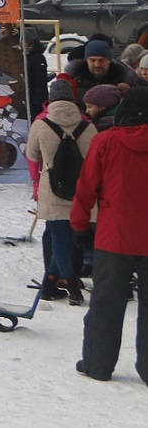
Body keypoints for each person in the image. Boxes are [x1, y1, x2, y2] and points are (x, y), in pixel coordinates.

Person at [70, 85, 148, 383]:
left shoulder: (105, 142)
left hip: (114, 236)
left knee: (106, 302)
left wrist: (79, 225)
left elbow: (86, 187)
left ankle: (98, 365)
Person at [27, 79, 92, 305]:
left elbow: (33, 155)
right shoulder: (88, 125)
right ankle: (49, 285)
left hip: (52, 189)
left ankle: (73, 288)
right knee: (67, 239)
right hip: (80, 190)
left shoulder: (40, 125)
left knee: (59, 240)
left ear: (51, 99)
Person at [66, 40, 140, 98]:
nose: (97, 64)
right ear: (86, 60)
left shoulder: (124, 78)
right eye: (92, 60)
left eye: (101, 60)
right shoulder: (74, 78)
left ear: (109, 60)